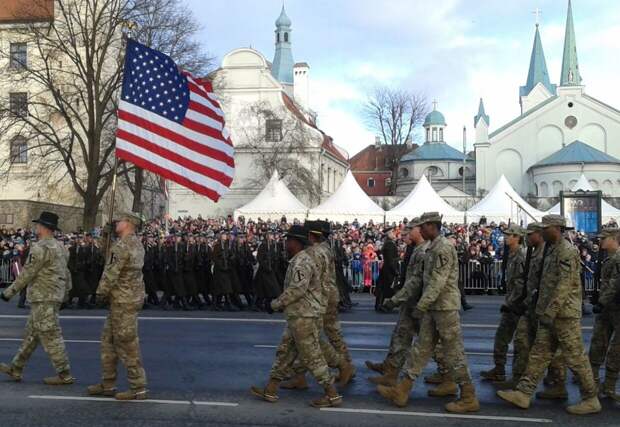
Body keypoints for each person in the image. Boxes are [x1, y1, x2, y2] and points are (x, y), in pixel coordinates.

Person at [497, 215, 601, 415]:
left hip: (564, 315)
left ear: (557, 228)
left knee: (576, 358)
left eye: (546, 228)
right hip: (550, 314)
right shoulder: (552, 249)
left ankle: (590, 398)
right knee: (539, 354)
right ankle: (524, 393)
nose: (543, 231)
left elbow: (564, 285)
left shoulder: (567, 251)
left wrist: (550, 311)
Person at [377, 212, 480, 413]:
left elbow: (437, 282)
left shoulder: (443, 248)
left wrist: (421, 306)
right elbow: (420, 280)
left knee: (454, 353)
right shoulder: (432, 248)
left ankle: (469, 396)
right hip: (434, 307)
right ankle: (402, 390)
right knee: (420, 350)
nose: (420, 230)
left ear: (433, 226)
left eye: (423, 226)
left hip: (445, 308)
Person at [250, 225, 342, 408]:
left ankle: (332, 394)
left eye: (288, 240)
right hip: (300, 315)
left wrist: (275, 304)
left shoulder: (302, 262)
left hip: (304, 316)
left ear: (296, 242)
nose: (285, 243)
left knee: (312, 357)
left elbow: (297, 289)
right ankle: (271, 389)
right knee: (285, 353)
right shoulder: (301, 259)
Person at [0, 211, 74, 385]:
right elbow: (67, 273)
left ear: (43, 228)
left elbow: (27, 273)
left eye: (38, 225)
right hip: (53, 296)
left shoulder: (40, 247)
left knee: (51, 335)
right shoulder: (61, 247)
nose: (36, 227)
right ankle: (16, 367)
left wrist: (8, 293)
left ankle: (64, 374)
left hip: (43, 297)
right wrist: (65, 295)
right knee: (32, 335)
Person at [87, 212, 148, 401]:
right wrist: (106, 237)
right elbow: (108, 256)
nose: (116, 223)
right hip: (128, 299)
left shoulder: (122, 245)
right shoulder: (135, 243)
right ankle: (108, 383)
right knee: (108, 342)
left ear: (129, 223)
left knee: (126, 344)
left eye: (119, 221)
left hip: (123, 300)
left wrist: (100, 293)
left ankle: (138, 387)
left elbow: (110, 271)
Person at [481, 224, 525, 382]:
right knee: (501, 337)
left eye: (510, 235)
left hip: (519, 306)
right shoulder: (511, 254)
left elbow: (522, 283)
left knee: (522, 342)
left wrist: (513, 302)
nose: (506, 237)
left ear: (518, 237)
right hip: (510, 303)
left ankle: (518, 377)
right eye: (506, 235)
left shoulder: (522, 255)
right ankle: (499, 369)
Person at [590, 226, 619, 396]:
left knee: (616, 351)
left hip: (615, 308)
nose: (600, 241)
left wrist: (601, 301)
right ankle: (591, 383)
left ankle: (609, 386)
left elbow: (615, 284)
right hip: (607, 309)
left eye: (604, 238)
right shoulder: (609, 258)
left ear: (614, 239)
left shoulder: (618, 259)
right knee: (597, 345)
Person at [375, 227, 399, 312]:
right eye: (392, 232)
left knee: (383, 288)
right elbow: (390, 259)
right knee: (386, 288)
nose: (394, 233)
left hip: (386, 269)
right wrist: (395, 271)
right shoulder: (389, 244)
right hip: (388, 270)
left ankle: (380, 305)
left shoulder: (388, 243)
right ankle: (382, 305)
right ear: (388, 234)